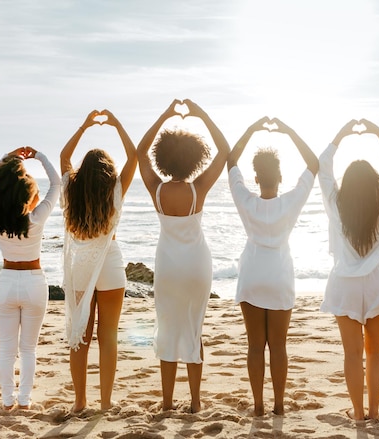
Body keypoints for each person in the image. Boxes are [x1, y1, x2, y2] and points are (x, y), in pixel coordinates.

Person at [137, 98, 230, 413]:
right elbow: (225, 150)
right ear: (193, 159)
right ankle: (194, 401)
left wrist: (164, 115)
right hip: (196, 266)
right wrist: (201, 114)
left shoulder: (157, 189)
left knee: (167, 329)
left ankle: (166, 402)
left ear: (163, 159)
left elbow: (139, 152)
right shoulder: (198, 188)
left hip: (168, 267)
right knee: (193, 330)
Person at [227, 116, 318, 416]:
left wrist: (252, 129)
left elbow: (230, 161)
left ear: (257, 178)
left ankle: (258, 406)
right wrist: (289, 131)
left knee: (256, 346)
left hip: (252, 275)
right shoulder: (290, 202)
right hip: (279, 276)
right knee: (278, 346)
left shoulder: (247, 201)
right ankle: (279, 405)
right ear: (280, 177)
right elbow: (313, 164)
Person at [318, 119, 379, 421]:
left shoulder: (335, 202)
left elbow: (323, 166)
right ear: (374, 182)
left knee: (352, 353)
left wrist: (341, 135)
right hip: (378, 279)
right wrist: (377, 131)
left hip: (345, 283)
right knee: (375, 351)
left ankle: (356, 412)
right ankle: (375, 410)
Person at [60, 109, 137, 412]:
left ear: (84, 171)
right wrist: (117, 124)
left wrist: (85, 126)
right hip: (111, 266)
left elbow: (64, 155)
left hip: (82, 266)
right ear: (108, 172)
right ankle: (105, 402)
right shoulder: (116, 189)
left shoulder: (71, 189)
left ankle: (80, 402)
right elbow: (134, 157)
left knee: (81, 336)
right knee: (109, 337)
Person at [0, 146, 61, 411]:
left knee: (6, 350)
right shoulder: (36, 219)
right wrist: (39, 157)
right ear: (29, 195)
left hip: (7, 283)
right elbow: (57, 183)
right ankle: (24, 402)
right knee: (28, 349)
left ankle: (7, 402)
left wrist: (9, 157)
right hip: (34, 284)